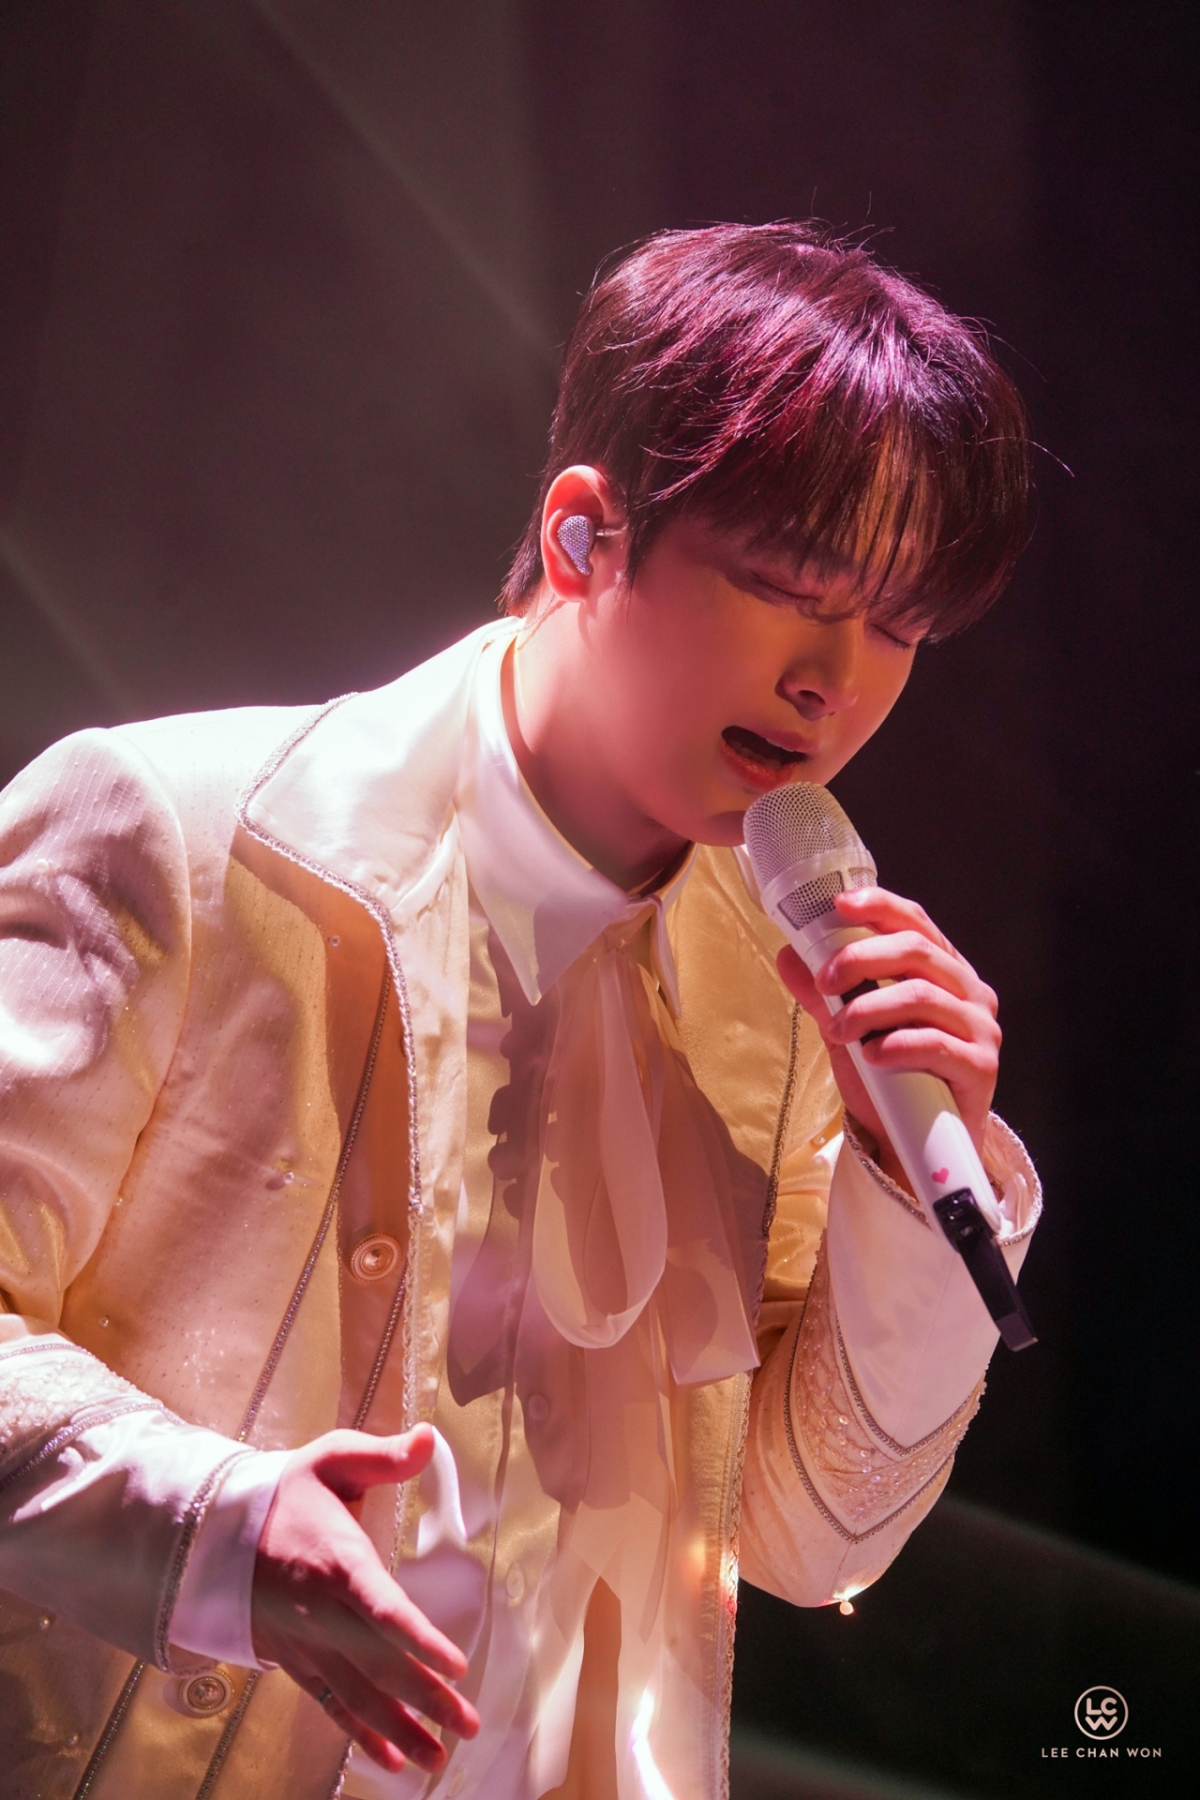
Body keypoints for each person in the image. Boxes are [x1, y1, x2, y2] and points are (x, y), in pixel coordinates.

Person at [0, 223, 1040, 1800]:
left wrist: (913, 1179)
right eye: (786, 588)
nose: (835, 677)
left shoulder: (780, 1002)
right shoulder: (184, 839)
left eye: (898, 624)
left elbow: (813, 1537)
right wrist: (212, 1527)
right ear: (583, 536)